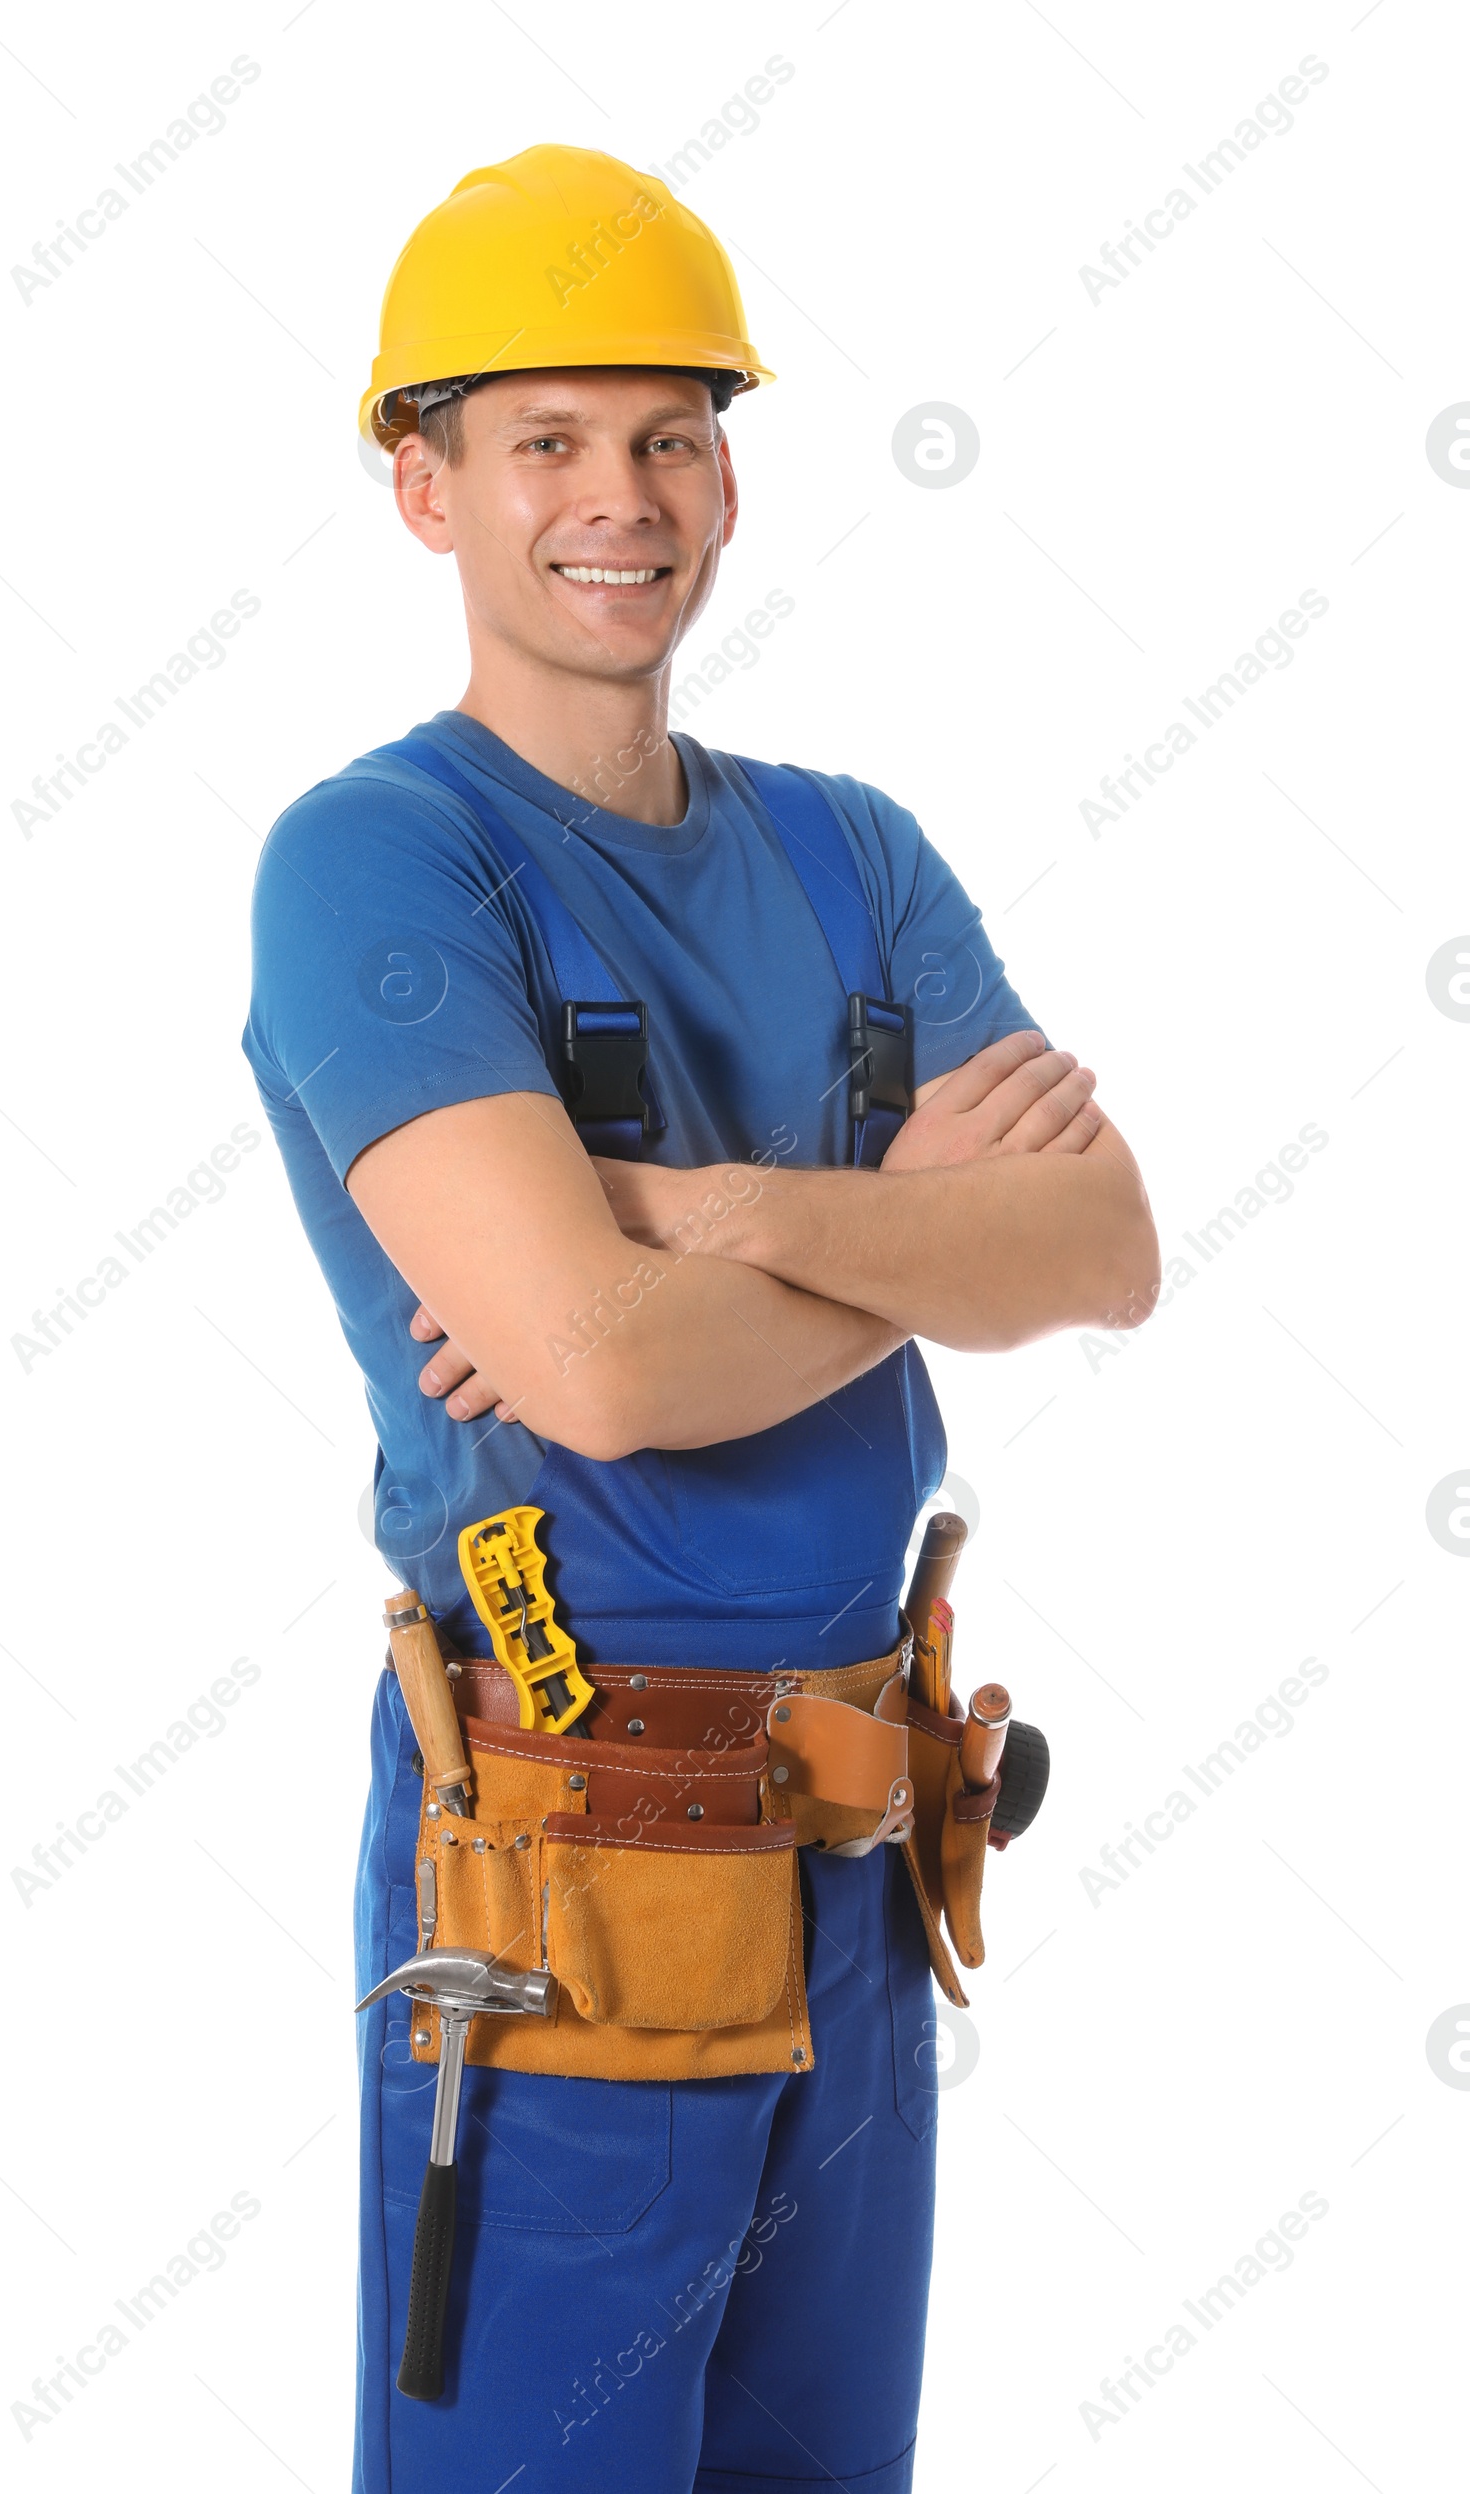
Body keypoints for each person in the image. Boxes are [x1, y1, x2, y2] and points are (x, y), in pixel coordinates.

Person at [242, 142, 1158, 2494]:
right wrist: (906, 1223)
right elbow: (601, 1377)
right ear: (419, 483)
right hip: (555, 1894)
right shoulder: (375, 858)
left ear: (725, 476)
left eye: (665, 434)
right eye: (539, 437)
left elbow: (1107, 1249)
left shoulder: (852, 847)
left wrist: (719, 1210)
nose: (615, 496)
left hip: (857, 1865)